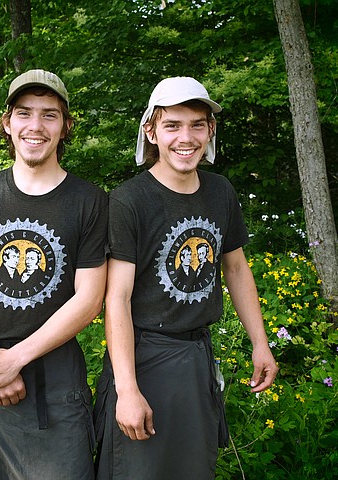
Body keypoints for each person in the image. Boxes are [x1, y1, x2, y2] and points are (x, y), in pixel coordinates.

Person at [93, 76, 278, 479]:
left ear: (211, 130)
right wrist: (126, 390)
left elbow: (236, 269)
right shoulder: (128, 200)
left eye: (197, 124)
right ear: (151, 131)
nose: (186, 137)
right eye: (172, 125)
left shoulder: (220, 191)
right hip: (144, 360)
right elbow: (117, 298)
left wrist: (260, 344)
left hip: (196, 361)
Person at [0, 69, 108, 480]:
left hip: (56, 386)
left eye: (50, 115)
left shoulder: (90, 201)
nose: (35, 126)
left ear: (66, 126)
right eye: (24, 113)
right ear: (7, 123)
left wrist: (15, 360)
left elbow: (89, 299)